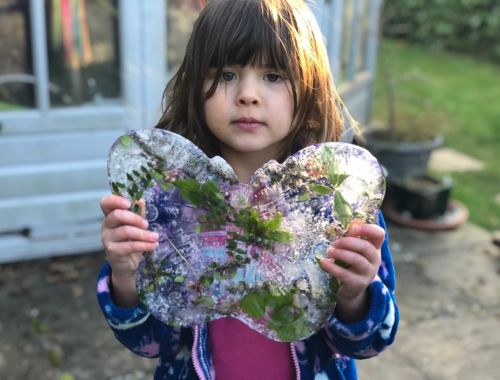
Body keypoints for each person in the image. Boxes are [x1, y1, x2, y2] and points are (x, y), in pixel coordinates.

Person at [97, 0, 399, 379]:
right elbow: (153, 344)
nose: (248, 94)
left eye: (273, 75)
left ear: (310, 84)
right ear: (194, 83)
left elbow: (371, 342)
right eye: (226, 74)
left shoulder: (338, 206)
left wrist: (356, 297)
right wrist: (125, 278)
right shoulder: (167, 202)